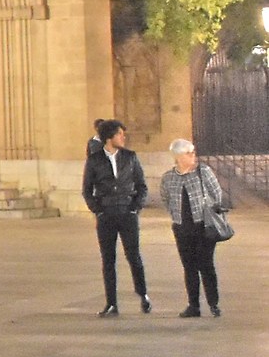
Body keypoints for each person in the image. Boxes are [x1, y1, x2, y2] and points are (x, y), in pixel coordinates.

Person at [83, 119, 151, 316]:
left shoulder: (130, 157)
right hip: (106, 214)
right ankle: (111, 303)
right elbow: (87, 189)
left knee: (134, 256)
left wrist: (135, 208)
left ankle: (143, 294)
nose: (123, 137)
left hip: (127, 212)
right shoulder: (94, 160)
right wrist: (98, 210)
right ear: (109, 137)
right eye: (120, 134)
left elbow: (141, 185)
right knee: (108, 259)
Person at [158, 138, 229, 318]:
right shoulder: (168, 177)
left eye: (193, 152)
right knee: (189, 267)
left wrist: (208, 209)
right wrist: (176, 214)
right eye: (189, 153)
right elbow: (165, 198)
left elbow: (216, 193)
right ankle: (193, 305)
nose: (193, 156)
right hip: (182, 228)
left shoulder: (203, 172)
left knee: (206, 264)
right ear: (178, 157)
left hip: (204, 226)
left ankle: (213, 303)